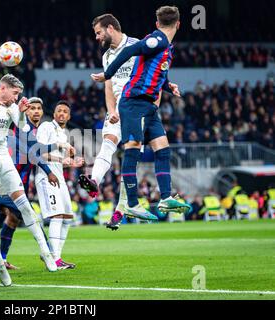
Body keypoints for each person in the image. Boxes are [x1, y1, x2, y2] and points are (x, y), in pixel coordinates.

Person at [91, 6, 191, 229]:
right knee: (133, 148)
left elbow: (151, 69)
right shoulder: (157, 40)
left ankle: (165, 198)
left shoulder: (163, 44)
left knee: (163, 148)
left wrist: (167, 86)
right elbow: (128, 52)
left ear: (158, 23)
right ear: (179, 24)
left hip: (148, 105)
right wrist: (107, 75)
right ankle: (131, 204)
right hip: (133, 101)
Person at [0, 74, 58, 286]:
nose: (16, 97)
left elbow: (23, 129)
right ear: (3, 88)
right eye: (15, 93)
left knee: (24, 205)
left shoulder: (11, 107)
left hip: (2, 158)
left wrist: (22, 111)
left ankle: (46, 253)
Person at [79, 14, 157, 223]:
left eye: (98, 32)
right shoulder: (106, 56)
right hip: (117, 110)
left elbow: (154, 75)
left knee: (130, 157)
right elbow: (108, 85)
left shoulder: (138, 46)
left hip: (136, 107)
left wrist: (152, 107)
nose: (96, 37)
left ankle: (123, 208)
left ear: (110, 28)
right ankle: (94, 181)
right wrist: (111, 110)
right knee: (108, 142)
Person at [0, 96, 71, 269]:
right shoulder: (22, 128)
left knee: (11, 219)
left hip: (19, 182)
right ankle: (50, 257)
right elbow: (34, 153)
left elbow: (38, 149)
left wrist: (60, 149)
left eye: (38, 108)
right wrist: (50, 170)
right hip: (6, 180)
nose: (36, 111)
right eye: (32, 108)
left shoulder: (35, 132)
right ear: (26, 111)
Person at [35, 101, 85, 269]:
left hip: (59, 178)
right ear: (54, 114)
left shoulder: (64, 135)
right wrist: (61, 158)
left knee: (67, 218)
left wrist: (71, 163)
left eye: (65, 112)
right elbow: (38, 151)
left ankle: (57, 257)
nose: (62, 113)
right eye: (59, 111)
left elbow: (59, 161)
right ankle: (53, 258)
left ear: (69, 116)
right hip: (46, 177)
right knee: (57, 216)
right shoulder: (47, 126)